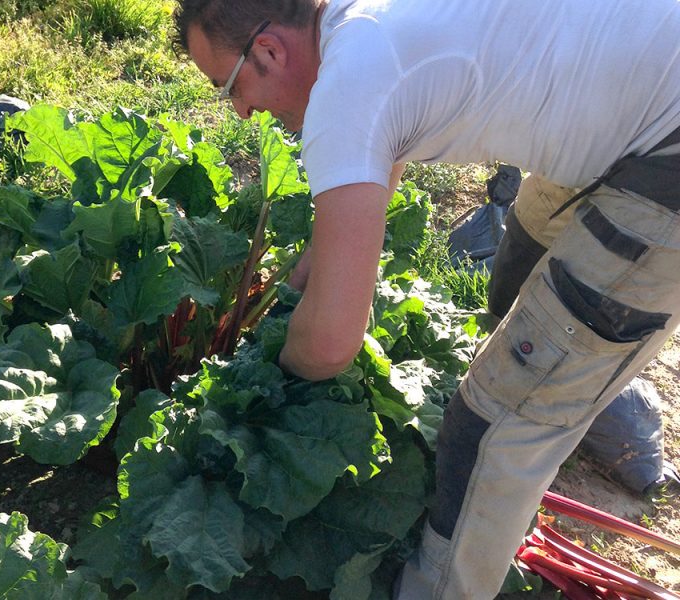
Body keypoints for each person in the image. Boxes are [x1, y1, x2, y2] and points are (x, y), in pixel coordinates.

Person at [172, 0, 680, 597]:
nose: (242, 111)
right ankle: (576, 398)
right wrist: (290, 296)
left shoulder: (350, 83)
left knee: (489, 425)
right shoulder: (362, 22)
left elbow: (332, 344)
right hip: (638, 92)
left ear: (269, 51)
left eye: (228, 86)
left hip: (665, 154)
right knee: (521, 265)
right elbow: (369, 187)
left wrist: (265, 376)